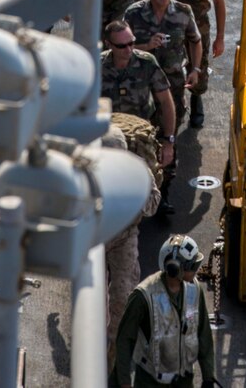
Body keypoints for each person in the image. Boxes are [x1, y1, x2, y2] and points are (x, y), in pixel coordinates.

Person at [110, 234, 215, 388]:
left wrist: (208, 377)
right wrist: (124, 382)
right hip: (150, 382)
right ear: (175, 268)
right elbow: (125, 340)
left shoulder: (194, 290)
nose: (195, 270)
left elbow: (203, 334)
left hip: (183, 380)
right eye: (191, 266)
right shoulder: (143, 296)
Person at [155, 0, 226, 129]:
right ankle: (172, 106)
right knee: (168, 68)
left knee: (200, 66)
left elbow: (219, 1)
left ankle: (196, 99)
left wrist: (220, 37)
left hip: (198, 25)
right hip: (170, 26)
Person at [102, 120, 161, 369]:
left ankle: (116, 360)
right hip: (95, 240)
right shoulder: (87, 169)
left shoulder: (138, 171)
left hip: (124, 238)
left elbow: (154, 201)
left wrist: (135, 203)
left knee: (123, 298)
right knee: (91, 300)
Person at [124, 0, 202, 128]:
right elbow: (121, 49)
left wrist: (195, 69)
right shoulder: (133, 14)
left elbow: (195, 41)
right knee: (141, 128)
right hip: (141, 82)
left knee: (172, 126)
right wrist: (146, 46)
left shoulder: (183, 12)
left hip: (173, 82)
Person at [100, 20, 176, 163]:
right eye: (121, 46)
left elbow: (166, 101)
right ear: (108, 44)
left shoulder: (146, 63)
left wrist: (169, 142)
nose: (128, 49)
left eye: (131, 43)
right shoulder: (97, 65)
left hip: (141, 137)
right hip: (109, 139)